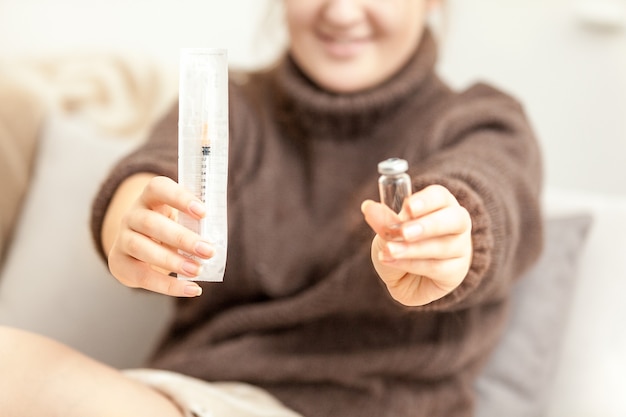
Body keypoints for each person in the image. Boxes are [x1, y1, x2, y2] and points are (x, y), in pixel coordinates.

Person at [0, 0, 543, 416]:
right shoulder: (230, 107)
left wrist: (454, 235)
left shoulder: (481, 121)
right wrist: (132, 225)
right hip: (200, 399)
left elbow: (491, 190)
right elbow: (155, 172)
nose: (341, 11)